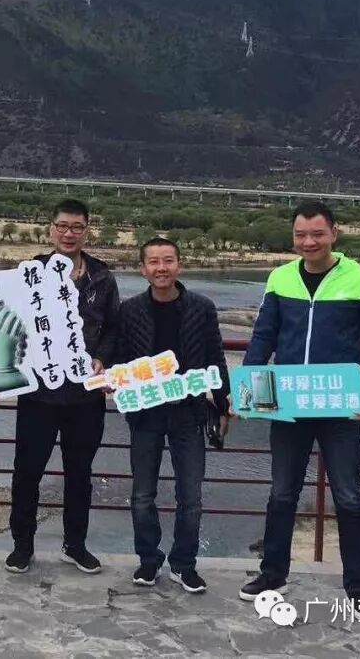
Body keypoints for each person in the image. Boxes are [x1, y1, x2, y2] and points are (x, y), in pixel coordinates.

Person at [238, 200, 360, 616]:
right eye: (301, 235)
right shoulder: (280, 278)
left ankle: (359, 590)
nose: (308, 242)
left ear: (333, 234)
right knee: (281, 493)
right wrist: (247, 388)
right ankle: (273, 574)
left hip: (339, 405)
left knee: (349, 497)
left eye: (317, 234)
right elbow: (263, 337)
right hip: (288, 402)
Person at [0, 198, 120, 575]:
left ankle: (75, 545)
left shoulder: (102, 277)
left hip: (85, 395)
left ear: (87, 230)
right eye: (62, 226)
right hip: (38, 393)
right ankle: (22, 545)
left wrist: (103, 357)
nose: (69, 233)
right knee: (27, 471)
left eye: (77, 227)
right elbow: (7, 322)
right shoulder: (30, 273)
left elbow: (113, 327)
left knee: (80, 473)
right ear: (51, 229)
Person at [114, 237, 229, 594]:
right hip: (145, 414)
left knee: (190, 496)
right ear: (142, 269)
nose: (161, 268)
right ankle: (148, 561)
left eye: (168, 260)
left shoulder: (202, 307)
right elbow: (120, 358)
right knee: (142, 495)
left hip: (189, 413)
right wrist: (113, 380)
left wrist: (223, 406)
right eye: (153, 262)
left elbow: (215, 357)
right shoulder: (129, 310)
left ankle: (184, 565)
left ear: (179, 264)